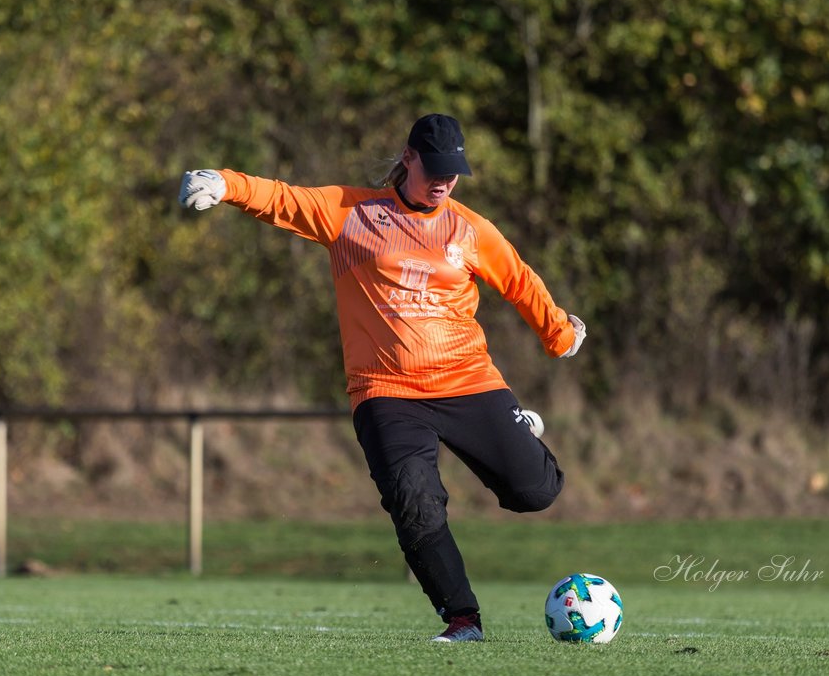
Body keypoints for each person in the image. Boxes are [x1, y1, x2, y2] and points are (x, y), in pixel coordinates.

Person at [178, 114, 586, 642]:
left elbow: (519, 279)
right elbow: (282, 198)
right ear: (408, 157)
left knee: (535, 493)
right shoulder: (352, 212)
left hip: (467, 380)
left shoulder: (469, 228)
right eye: (434, 168)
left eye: (454, 172)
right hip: (385, 391)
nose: (444, 181)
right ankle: (463, 620)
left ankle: (521, 431)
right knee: (413, 500)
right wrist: (223, 182)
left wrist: (559, 332)